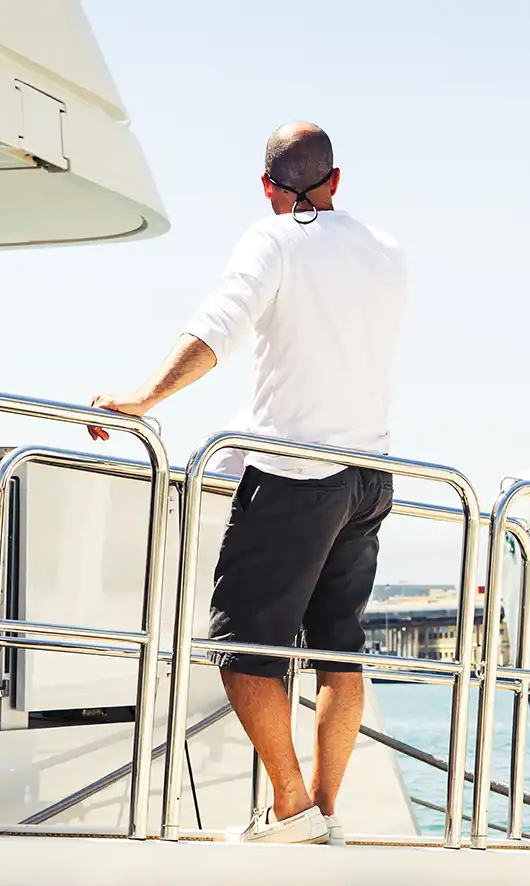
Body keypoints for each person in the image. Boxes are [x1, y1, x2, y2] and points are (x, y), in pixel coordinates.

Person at [89, 122, 406, 846]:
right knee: (337, 651)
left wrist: (142, 400)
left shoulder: (272, 242)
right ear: (336, 179)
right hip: (371, 476)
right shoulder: (386, 253)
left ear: (267, 187)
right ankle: (322, 815)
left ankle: (291, 808)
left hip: (298, 478)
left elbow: (217, 331)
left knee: (240, 651)